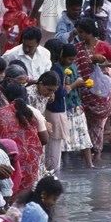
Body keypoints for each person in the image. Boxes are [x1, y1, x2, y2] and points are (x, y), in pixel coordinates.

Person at [75, 18, 111, 160]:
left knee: (100, 123)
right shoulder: (77, 48)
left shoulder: (105, 46)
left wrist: (105, 64)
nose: (79, 35)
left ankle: (98, 152)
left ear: (89, 32)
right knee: (85, 121)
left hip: (102, 90)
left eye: (81, 32)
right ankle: (86, 151)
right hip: (84, 89)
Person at [0, 82, 48, 190]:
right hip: (31, 161)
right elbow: (45, 139)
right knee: (24, 196)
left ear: (5, 96)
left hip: (10, 161)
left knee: (9, 193)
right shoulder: (34, 112)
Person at [59, 43, 93, 167]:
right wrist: (75, 84)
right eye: (69, 59)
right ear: (62, 56)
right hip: (65, 107)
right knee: (65, 139)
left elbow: (78, 80)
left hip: (76, 105)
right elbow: (64, 90)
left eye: (73, 59)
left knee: (83, 134)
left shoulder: (73, 66)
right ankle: (66, 165)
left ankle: (90, 164)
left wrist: (83, 84)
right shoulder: (57, 69)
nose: (71, 61)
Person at [43, 39, 69, 172]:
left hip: (47, 109)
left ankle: (48, 170)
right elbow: (60, 92)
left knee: (48, 144)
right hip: (56, 110)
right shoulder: (57, 68)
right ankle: (54, 172)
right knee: (55, 144)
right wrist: (71, 87)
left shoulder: (46, 65)